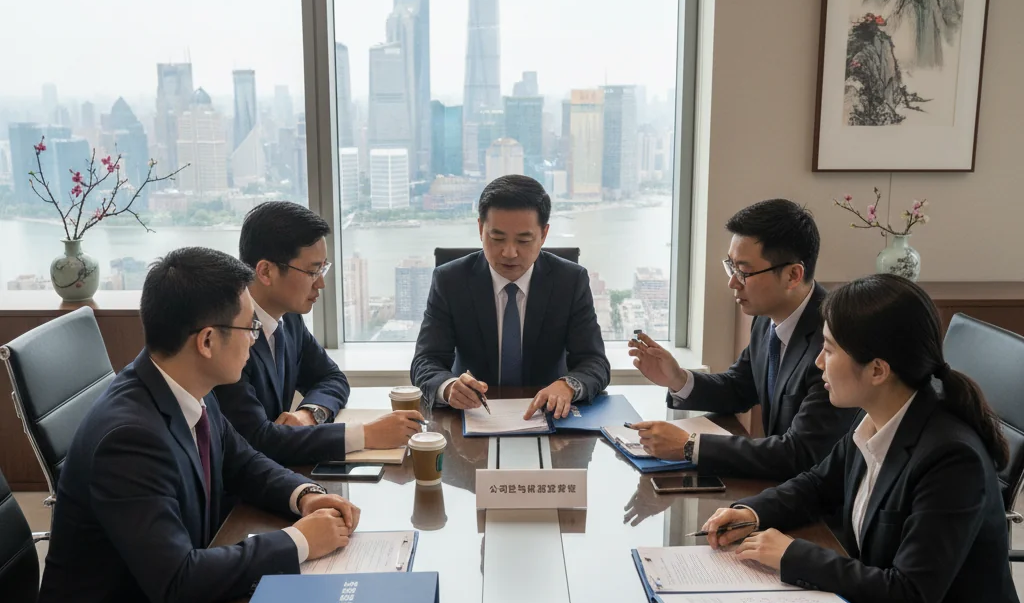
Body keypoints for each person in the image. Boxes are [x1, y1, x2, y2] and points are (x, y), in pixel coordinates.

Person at [29, 247, 360, 603]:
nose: (255, 339)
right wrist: (300, 541)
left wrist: (305, 495)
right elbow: (178, 581)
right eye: (249, 328)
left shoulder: (181, 387)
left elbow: (241, 461)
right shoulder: (129, 438)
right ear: (207, 340)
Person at [701, 274, 1024, 603]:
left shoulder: (950, 459)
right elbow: (817, 484)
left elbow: (908, 596)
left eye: (830, 349)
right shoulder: (878, 415)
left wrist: (793, 555)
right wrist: (751, 511)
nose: (818, 361)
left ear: (877, 369)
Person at [628, 199, 856, 480]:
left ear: (793, 275)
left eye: (744, 272)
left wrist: (690, 446)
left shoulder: (835, 343)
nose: (732, 282)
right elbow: (739, 388)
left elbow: (800, 453)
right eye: (731, 267)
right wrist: (678, 378)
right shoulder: (766, 319)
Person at [215, 201, 423, 465]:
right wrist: (366, 435)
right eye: (312, 271)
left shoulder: (288, 318)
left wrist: (309, 415)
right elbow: (258, 440)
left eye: (323, 268)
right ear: (266, 271)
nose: (321, 283)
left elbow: (331, 377)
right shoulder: (228, 334)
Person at [411, 174, 610, 419]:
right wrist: (449, 387)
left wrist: (568, 385)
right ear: (480, 229)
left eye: (524, 240)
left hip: (548, 417)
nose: (509, 252)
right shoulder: (450, 281)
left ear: (544, 235)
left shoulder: (570, 281)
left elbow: (595, 362)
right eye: (497, 238)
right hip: (473, 417)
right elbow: (425, 361)